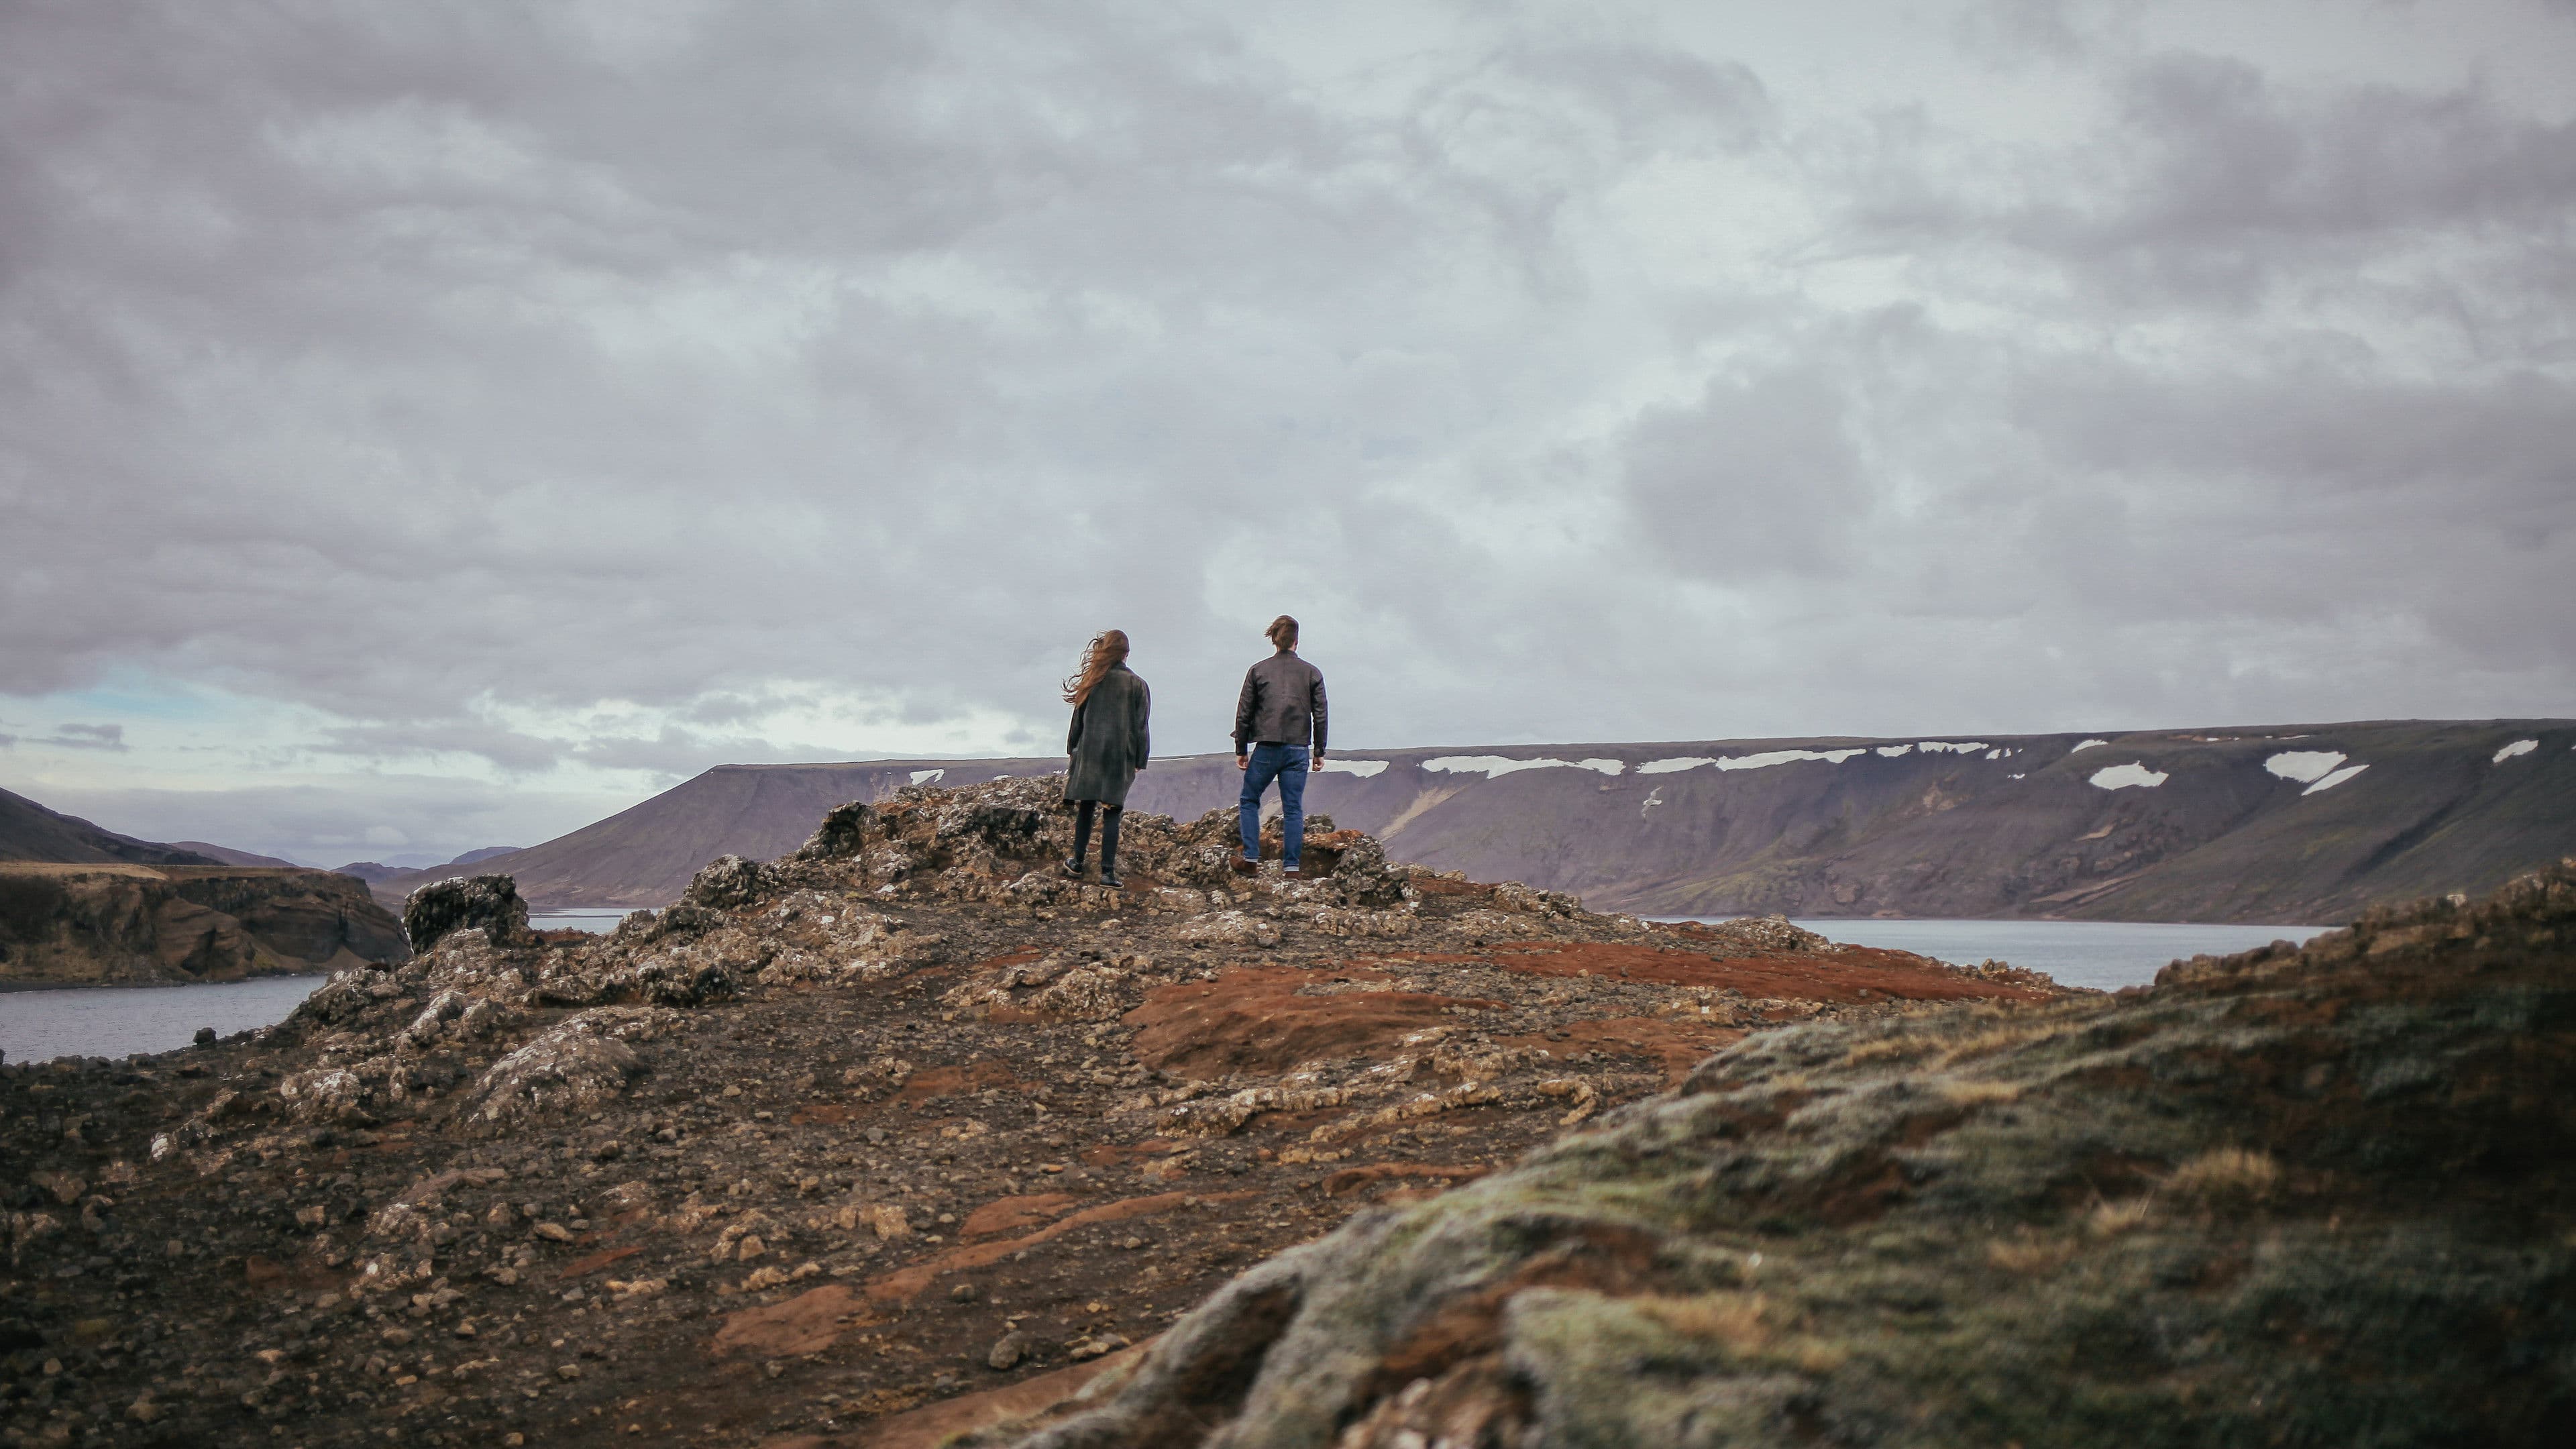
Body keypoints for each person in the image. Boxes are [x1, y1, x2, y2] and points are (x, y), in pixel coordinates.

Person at [1233, 614, 1327, 876]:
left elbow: (1244, 713)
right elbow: (1320, 714)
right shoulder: (1312, 672)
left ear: (1274, 640)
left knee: (1250, 799)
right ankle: (1292, 868)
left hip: (1267, 747)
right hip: (1298, 748)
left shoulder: (1258, 670)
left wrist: (1241, 749)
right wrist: (1319, 751)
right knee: (1293, 808)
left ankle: (1251, 860)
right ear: (1296, 641)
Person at [1061, 629, 1150, 888]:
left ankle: (1077, 862)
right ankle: (1107, 873)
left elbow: (1077, 721)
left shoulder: (1093, 681)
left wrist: (1073, 750)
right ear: (1126, 654)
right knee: (1113, 811)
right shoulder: (1137, 685)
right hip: (1119, 756)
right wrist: (1140, 759)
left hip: (1089, 753)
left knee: (1086, 808)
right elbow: (1140, 726)